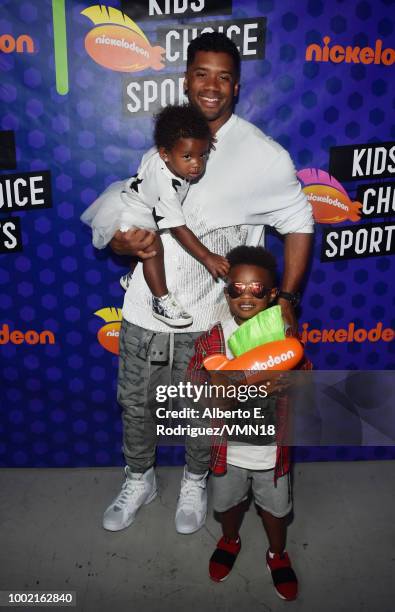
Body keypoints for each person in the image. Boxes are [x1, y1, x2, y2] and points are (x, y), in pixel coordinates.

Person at [101, 32, 314, 535]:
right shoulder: (166, 147)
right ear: (186, 79)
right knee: (135, 405)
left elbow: (301, 221)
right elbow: (131, 221)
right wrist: (121, 244)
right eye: (201, 74)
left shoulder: (264, 157)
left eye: (222, 77)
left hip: (210, 319)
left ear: (236, 87)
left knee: (201, 411)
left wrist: (286, 297)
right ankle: (140, 478)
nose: (211, 86)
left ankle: (196, 480)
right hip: (144, 311)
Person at [187, 245, 298, 600]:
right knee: (228, 505)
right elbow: (194, 384)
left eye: (258, 290)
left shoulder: (285, 337)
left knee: (276, 511)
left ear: (273, 294)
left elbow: (309, 384)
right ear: (226, 290)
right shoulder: (214, 339)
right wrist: (228, 385)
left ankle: (277, 554)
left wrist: (288, 383)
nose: (246, 296)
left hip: (272, 454)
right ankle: (230, 539)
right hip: (228, 451)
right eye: (237, 288)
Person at [81, 104, 229, 327]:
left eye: (203, 154)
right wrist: (207, 256)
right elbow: (179, 230)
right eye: (187, 156)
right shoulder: (165, 186)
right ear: (165, 154)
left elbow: (183, 143)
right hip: (130, 212)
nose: (197, 164)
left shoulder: (161, 153)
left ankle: (133, 276)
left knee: (149, 238)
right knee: (152, 247)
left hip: (132, 198)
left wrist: (199, 142)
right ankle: (161, 300)